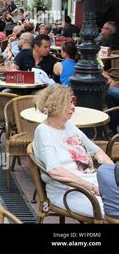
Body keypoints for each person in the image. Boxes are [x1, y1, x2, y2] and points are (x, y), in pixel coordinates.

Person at [33, 85, 113, 218]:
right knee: (113, 211)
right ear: (54, 106)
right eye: (67, 103)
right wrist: (91, 187)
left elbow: (96, 151)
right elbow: (54, 170)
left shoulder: (68, 125)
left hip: (94, 184)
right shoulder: (44, 131)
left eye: (72, 101)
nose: (73, 107)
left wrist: (113, 175)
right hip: (69, 191)